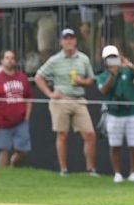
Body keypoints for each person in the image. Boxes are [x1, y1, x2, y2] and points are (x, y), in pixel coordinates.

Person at [34, 29, 98, 176]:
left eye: (71, 38)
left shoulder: (83, 59)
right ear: (61, 42)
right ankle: (64, 169)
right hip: (61, 100)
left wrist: (81, 81)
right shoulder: (55, 60)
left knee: (90, 134)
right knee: (62, 134)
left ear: (75, 41)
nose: (69, 41)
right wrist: (50, 93)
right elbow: (39, 77)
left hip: (79, 99)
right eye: (66, 38)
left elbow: (91, 80)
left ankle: (91, 169)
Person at [96, 45, 134, 183]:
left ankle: (133, 173)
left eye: (114, 58)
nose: (112, 61)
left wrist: (128, 64)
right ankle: (117, 174)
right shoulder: (103, 75)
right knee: (114, 145)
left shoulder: (127, 70)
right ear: (105, 60)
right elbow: (103, 91)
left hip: (132, 113)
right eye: (109, 59)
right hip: (114, 113)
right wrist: (113, 74)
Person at [0, 50, 32, 167]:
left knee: (24, 151)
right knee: (4, 150)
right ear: (2, 61)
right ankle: (3, 176)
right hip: (3, 120)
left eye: (12, 58)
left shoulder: (23, 77)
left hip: (21, 120)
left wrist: (27, 117)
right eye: (7, 58)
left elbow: (29, 98)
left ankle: (13, 164)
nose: (10, 60)